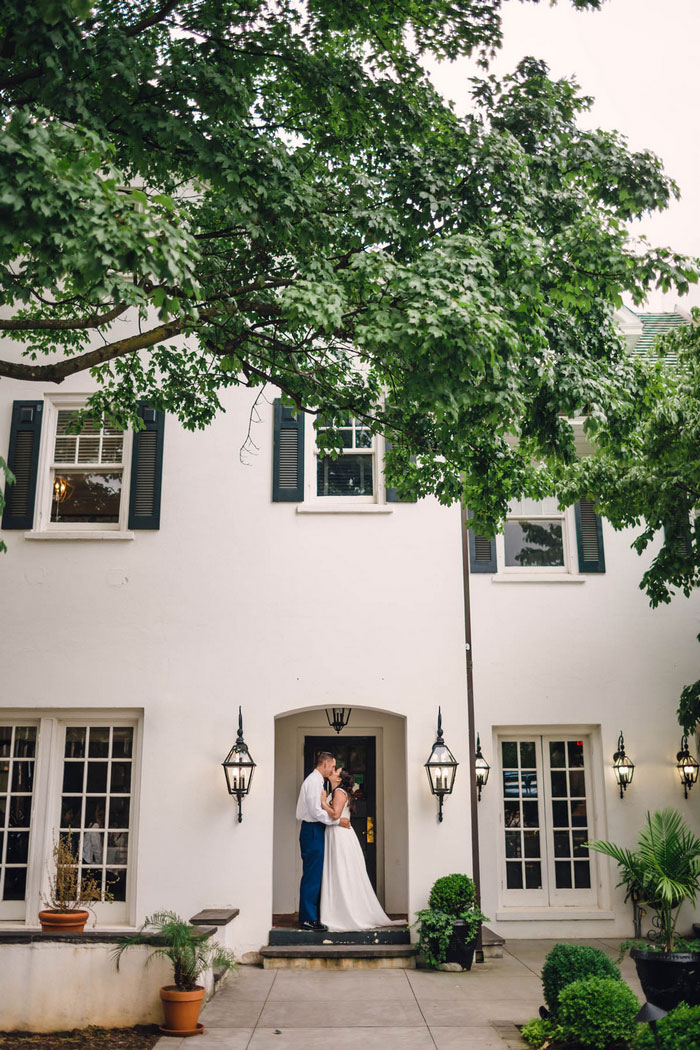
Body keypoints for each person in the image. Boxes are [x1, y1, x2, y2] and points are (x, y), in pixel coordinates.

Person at [320, 767, 401, 932]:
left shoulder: (339, 792)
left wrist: (322, 803)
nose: (333, 771)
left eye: (336, 771)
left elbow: (335, 815)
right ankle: (338, 911)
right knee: (339, 872)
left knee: (341, 871)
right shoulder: (337, 791)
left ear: (340, 779)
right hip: (337, 833)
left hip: (339, 836)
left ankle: (343, 913)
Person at [295, 751, 351, 931]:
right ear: (325, 764)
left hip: (316, 830)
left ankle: (314, 915)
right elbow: (315, 811)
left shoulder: (318, 781)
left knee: (316, 874)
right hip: (312, 830)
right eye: (333, 766)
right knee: (312, 874)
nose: (334, 770)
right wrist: (336, 821)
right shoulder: (313, 781)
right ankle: (308, 919)